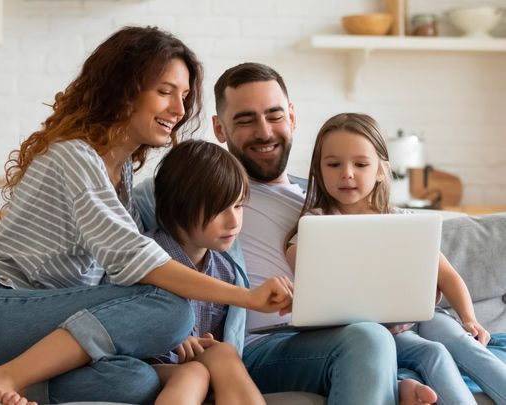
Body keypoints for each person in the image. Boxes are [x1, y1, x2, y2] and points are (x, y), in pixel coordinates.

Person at [0, 28, 293, 405]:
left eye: (183, 96)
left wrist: (169, 337)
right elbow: (135, 262)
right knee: (172, 308)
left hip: (41, 340)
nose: (179, 110)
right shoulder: (74, 157)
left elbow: (114, 284)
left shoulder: (123, 174)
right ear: (123, 88)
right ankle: (4, 376)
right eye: (165, 91)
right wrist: (248, 297)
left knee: (135, 381)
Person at [135, 62, 436, 404]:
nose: (264, 131)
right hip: (255, 347)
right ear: (220, 128)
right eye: (246, 120)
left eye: (274, 116)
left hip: (333, 335)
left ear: (292, 117)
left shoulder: (329, 198)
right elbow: (133, 251)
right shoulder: (204, 191)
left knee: (377, 338)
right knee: (368, 340)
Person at [284, 112, 506, 405]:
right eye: (333, 164)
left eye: (360, 164)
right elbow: (308, 272)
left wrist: (469, 318)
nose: (347, 173)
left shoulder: (402, 220)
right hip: (371, 330)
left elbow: (448, 276)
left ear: (381, 170)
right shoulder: (316, 225)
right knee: (434, 353)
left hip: (422, 316)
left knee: (458, 340)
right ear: (319, 169)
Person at [147, 139, 266, 405]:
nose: (234, 222)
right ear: (179, 207)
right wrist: (169, 336)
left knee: (222, 353)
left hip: (199, 367)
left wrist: (206, 344)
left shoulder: (224, 270)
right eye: (219, 210)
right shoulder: (144, 257)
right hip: (145, 367)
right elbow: (115, 323)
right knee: (197, 371)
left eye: (238, 206)